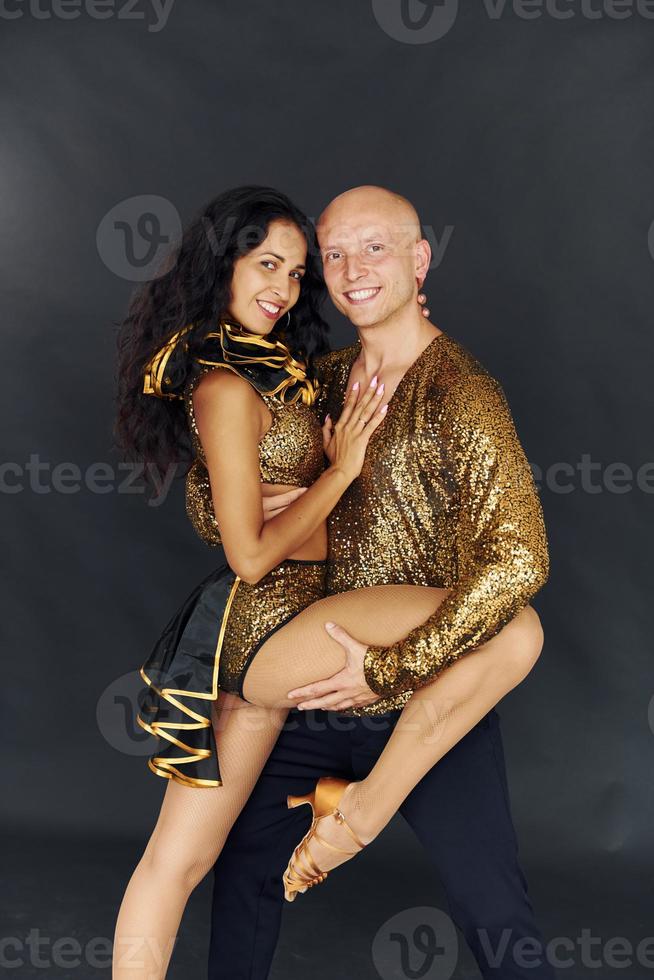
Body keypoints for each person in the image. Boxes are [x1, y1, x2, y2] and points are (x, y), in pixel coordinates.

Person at [111, 184, 547, 980]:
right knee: (232, 881)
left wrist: (387, 669)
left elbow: (520, 560)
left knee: (495, 909)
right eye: (333, 256)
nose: (344, 272)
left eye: (371, 249)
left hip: (422, 681)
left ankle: (361, 813)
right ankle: (350, 812)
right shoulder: (320, 378)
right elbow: (238, 501)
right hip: (300, 655)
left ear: (419, 261)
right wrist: (262, 502)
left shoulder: (459, 392)